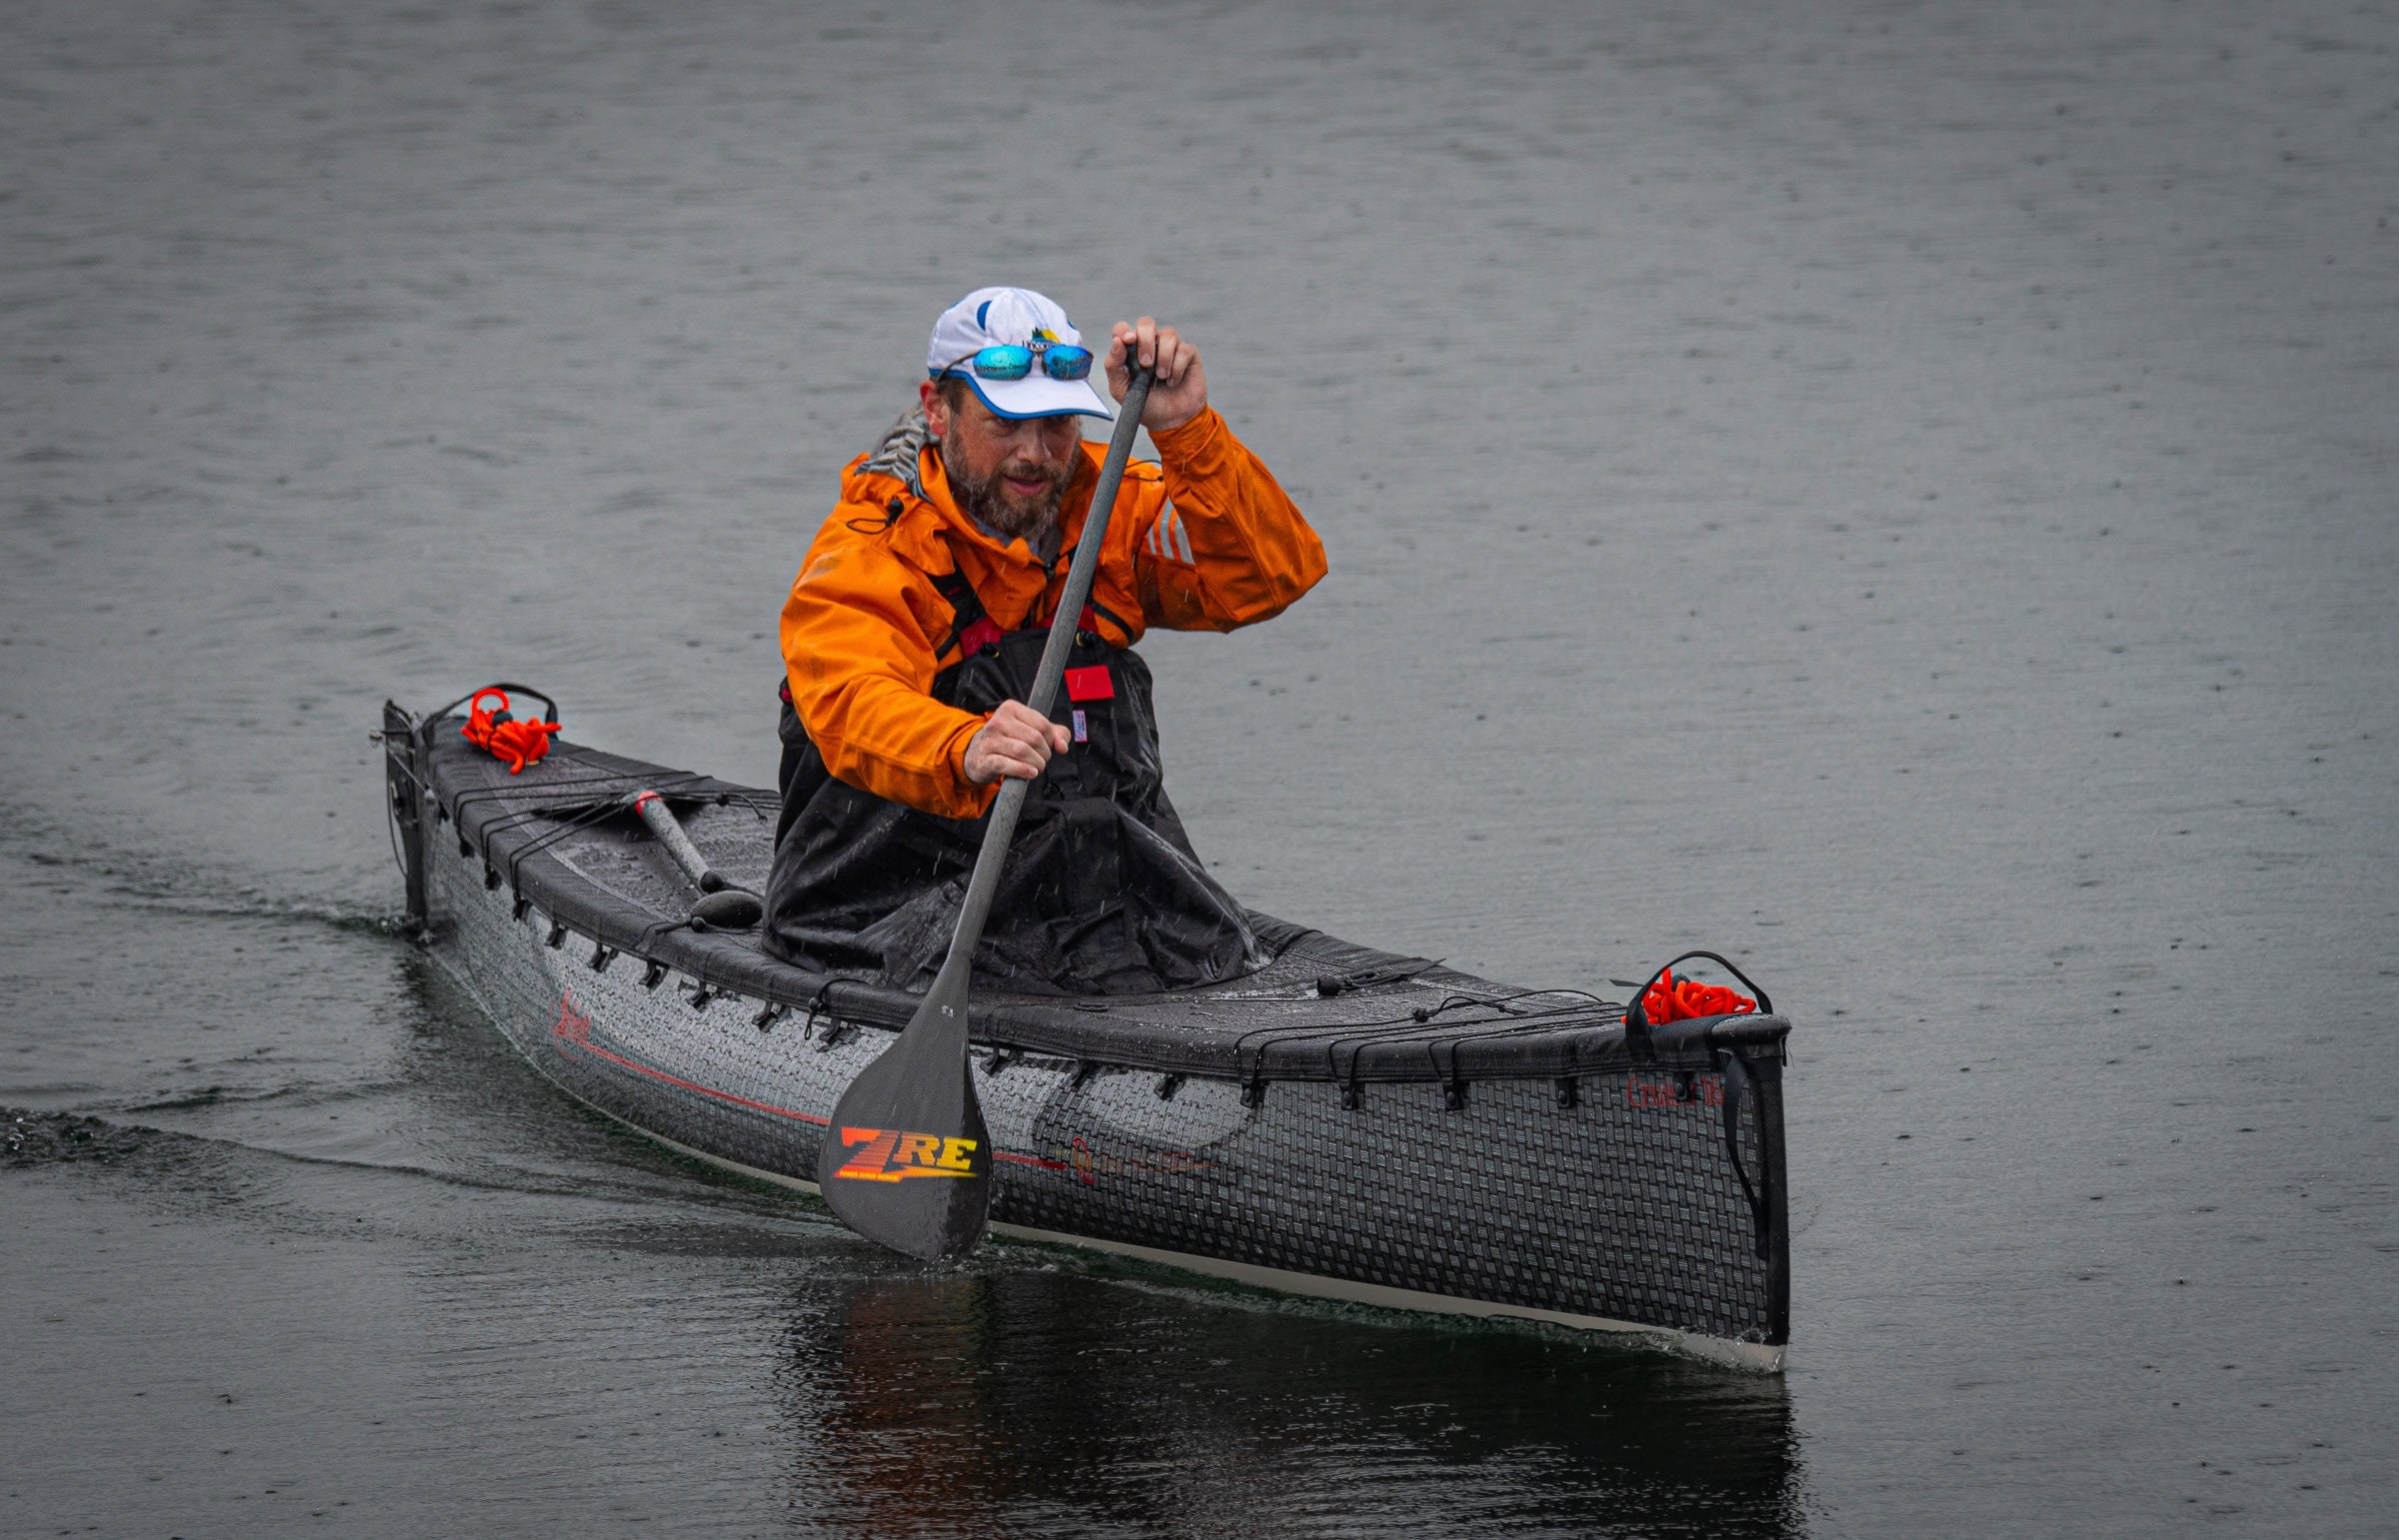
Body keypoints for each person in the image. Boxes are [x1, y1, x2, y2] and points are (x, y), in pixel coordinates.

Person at [764, 287, 1327, 995]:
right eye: (1006, 423)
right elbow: (850, 698)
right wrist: (961, 746)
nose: (1034, 454)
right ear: (938, 410)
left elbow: (1267, 577)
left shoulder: (1110, 512)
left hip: (1102, 904)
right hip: (880, 909)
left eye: (1057, 423)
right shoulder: (872, 548)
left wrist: (1189, 430)